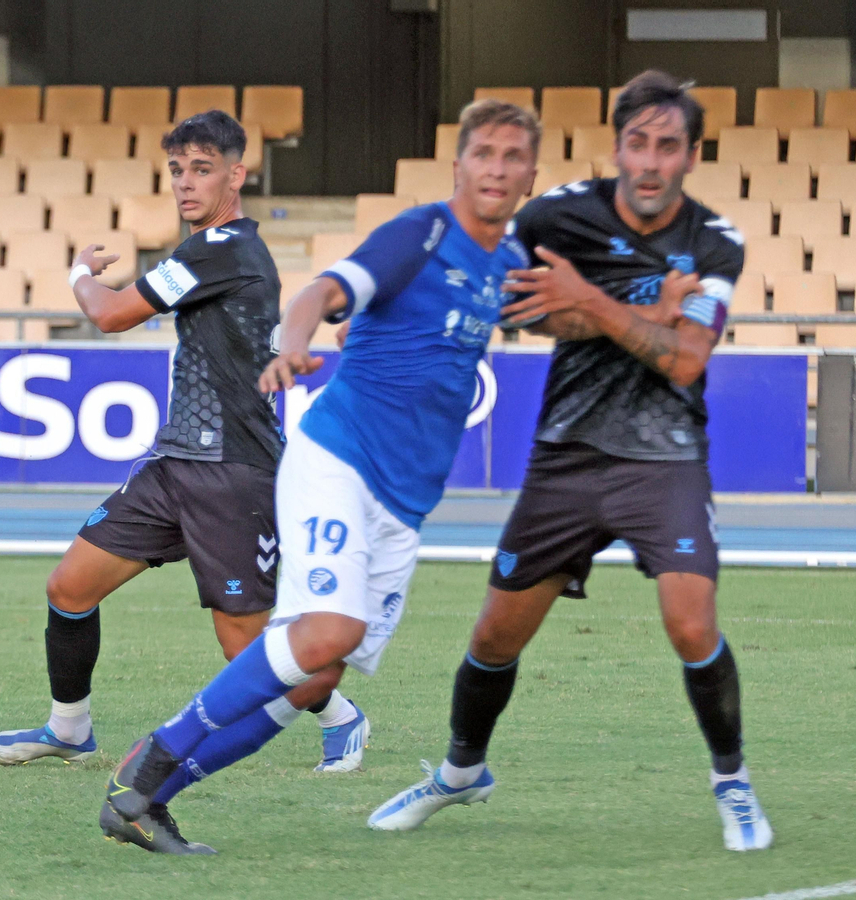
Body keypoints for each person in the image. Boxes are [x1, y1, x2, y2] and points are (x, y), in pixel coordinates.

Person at [98, 100, 539, 854]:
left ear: (531, 174)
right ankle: (162, 747)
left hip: (405, 503)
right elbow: (319, 294)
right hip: (338, 458)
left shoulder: (508, 262)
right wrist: (293, 342)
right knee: (330, 629)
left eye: (513, 156)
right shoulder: (422, 232)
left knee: (314, 681)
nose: (497, 168)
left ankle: (146, 802)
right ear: (460, 163)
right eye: (484, 153)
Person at [366, 70, 771, 853]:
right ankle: (459, 773)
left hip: (666, 456)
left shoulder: (716, 240)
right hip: (565, 458)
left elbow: (686, 362)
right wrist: (636, 313)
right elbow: (521, 312)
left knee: (693, 626)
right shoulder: (557, 213)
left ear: (692, 154)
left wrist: (590, 301)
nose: (651, 162)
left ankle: (733, 782)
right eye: (638, 143)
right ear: (617, 146)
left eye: (669, 146)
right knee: (493, 639)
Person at [0, 110, 357, 777]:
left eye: (202, 169)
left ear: (237, 175)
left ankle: (342, 717)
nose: (185, 183)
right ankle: (69, 729)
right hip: (175, 460)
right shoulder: (213, 249)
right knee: (69, 588)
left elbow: (111, 313)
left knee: (245, 647)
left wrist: (78, 272)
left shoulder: (224, 248)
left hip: (232, 468)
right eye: (177, 169)